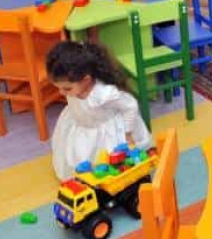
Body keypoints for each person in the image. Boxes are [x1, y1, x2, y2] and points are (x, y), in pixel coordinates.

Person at [46, 41, 153, 181]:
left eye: (66, 89)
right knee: (81, 164)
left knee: (113, 169)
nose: (61, 93)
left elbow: (130, 105)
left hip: (108, 135)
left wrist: (127, 132)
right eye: (58, 88)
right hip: (83, 127)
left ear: (86, 80)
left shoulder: (103, 94)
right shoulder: (75, 87)